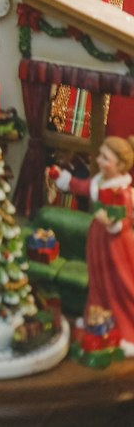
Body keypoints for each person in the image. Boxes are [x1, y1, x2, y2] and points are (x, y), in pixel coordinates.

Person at [50, 136, 134, 355]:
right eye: (100, 155)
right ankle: (95, 319)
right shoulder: (100, 181)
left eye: (105, 158)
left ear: (120, 165)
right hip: (98, 240)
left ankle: (125, 331)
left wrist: (112, 222)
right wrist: (62, 179)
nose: (98, 160)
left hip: (116, 246)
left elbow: (123, 220)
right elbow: (83, 186)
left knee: (118, 284)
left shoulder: (122, 191)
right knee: (98, 280)